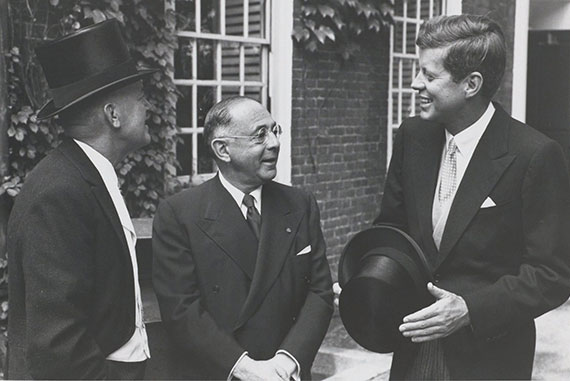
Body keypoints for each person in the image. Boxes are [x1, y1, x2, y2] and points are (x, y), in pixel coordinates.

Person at [374, 14, 570, 380]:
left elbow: (551, 274)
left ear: (471, 84)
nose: (416, 84)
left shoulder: (534, 155)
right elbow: (391, 228)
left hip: (488, 358)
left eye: (429, 76)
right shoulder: (412, 137)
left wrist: (469, 309)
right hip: (413, 350)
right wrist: (371, 276)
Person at [7, 19, 156, 379]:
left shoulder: (86, 176)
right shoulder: (59, 192)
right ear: (113, 115)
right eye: (140, 97)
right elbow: (59, 350)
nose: (149, 106)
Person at [152, 96, 334, 380]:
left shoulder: (300, 204)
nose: (274, 143)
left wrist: (287, 362)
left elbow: (320, 291)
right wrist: (246, 368)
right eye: (260, 135)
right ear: (223, 149)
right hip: (221, 371)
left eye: (275, 130)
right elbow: (181, 309)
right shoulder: (179, 214)